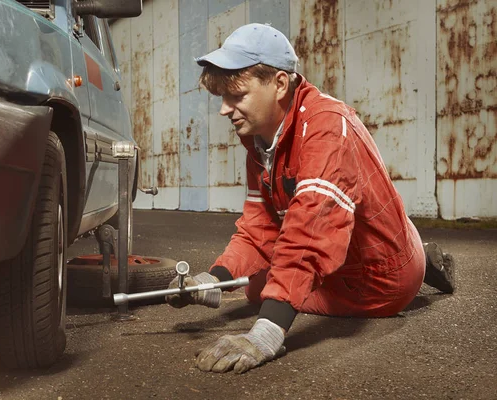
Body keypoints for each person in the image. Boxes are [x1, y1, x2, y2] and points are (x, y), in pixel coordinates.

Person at [165, 23, 455, 374]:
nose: (224, 109)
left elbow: (309, 232)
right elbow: (261, 226)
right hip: (355, 244)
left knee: (263, 294)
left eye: (236, 96)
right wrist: (213, 279)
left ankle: (418, 262)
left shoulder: (327, 126)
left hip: (380, 276)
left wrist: (266, 334)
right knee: (260, 285)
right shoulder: (260, 141)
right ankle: (419, 251)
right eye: (223, 98)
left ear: (280, 84)